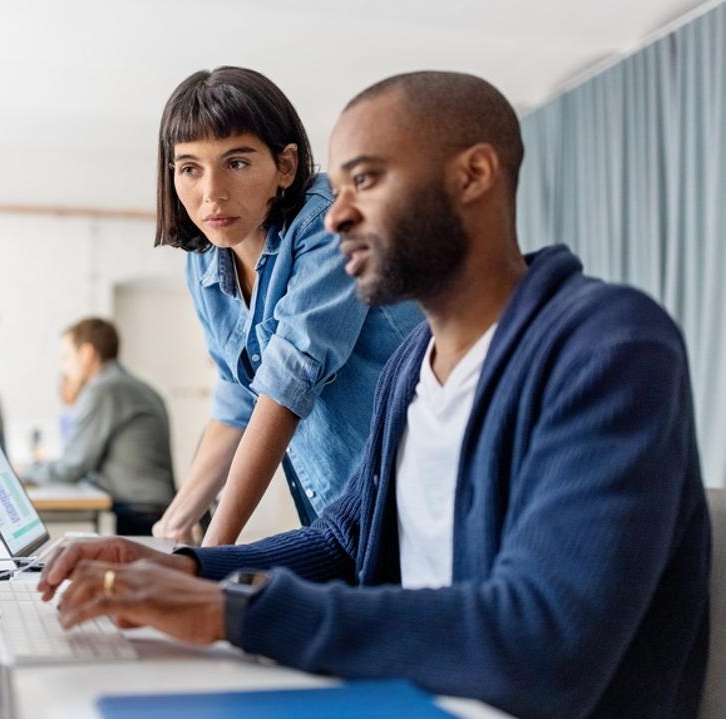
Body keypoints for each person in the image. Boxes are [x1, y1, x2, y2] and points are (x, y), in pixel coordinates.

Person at [37, 71, 711, 719]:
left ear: (472, 175)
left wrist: (233, 610)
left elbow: (543, 642)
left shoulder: (608, 346)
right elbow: (340, 541)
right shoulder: (411, 365)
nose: (334, 216)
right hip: (414, 689)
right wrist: (184, 565)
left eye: (362, 179)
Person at [151, 66, 423, 545]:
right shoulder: (204, 260)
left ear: (286, 166)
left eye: (236, 163)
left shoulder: (331, 224)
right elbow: (239, 399)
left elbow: (287, 381)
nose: (211, 192)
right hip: (342, 515)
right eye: (190, 168)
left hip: (417, 497)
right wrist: (173, 527)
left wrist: (211, 554)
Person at [26, 318, 175, 535]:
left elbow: (73, 466)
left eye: (66, 357)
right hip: (153, 507)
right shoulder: (132, 385)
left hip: (138, 512)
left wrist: (25, 472)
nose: (64, 368)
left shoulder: (104, 389)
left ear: (87, 353)